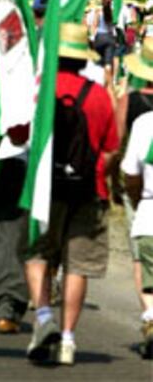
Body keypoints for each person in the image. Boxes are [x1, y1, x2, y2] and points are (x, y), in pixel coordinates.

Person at [25, 22, 119, 366]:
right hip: (87, 188)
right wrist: (98, 175)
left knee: (38, 254)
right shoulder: (97, 96)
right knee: (77, 264)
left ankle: (45, 316)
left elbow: (25, 136)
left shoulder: (41, 90)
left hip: (45, 188)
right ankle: (67, 339)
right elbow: (111, 149)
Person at [115, 39, 153, 317]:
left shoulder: (132, 102)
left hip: (140, 185)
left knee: (141, 256)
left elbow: (116, 140)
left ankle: (150, 316)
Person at [122, 110, 153, 360]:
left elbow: (131, 174)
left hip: (149, 213)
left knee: (145, 272)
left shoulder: (144, 123)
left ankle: (152, 317)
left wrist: (136, 200)